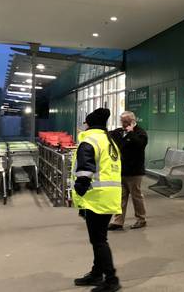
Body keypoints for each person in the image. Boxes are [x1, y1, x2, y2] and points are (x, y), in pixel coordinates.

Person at [72, 108, 122, 292]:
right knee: (98, 239)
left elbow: (85, 171)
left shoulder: (89, 141)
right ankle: (96, 273)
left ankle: (111, 279)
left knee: (99, 240)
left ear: (89, 124)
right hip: (109, 197)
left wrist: (78, 192)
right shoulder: (109, 141)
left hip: (96, 198)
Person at [108, 111, 148, 230]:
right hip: (122, 170)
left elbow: (141, 144)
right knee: (121, 196)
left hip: (135, 171)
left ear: (132, 121)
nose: (124, 124)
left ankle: (141, 219)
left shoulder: (140, 133)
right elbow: (108, 135)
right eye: (122, 121)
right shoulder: (119, 132)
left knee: (136, 196)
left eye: (126, 122)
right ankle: (118, 221)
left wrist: (131, 133)